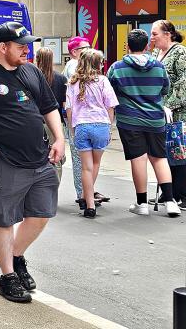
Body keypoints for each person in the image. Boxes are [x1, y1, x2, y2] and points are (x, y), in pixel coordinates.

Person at [0, 21, 65, 304]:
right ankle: (8, 276)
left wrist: (59, 139)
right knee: (5, 219)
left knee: (41, 214)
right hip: (4, 160)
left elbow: (49, 107)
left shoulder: (32, 71)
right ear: (2, 47)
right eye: (21, 45)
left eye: (27, 44)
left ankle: (15, 255)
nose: (27, 49)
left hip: (40, 157)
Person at [108, 29, 180, 216]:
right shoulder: (158, 66)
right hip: (155, 120)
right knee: (159, 157)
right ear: (148, 45)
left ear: (128, 46)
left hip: (129, 120)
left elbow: (110, 92)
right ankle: (170, 201)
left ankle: (142, 204)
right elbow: (165, 89)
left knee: (138, 159)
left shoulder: (117, 67)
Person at [65, 49, 118, 218]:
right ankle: (88, 196)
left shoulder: (73, 82)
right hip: (101, 124)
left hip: (81, 126)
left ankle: (88, 204)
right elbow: (110, 105)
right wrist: (109, 127)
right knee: (95, 165)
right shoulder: (103, 81)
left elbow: (69, 109)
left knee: (85, 168)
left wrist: (72, 130)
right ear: (97, 64)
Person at [35, 47, 83, 206]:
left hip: (35, 122)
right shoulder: (60, 78)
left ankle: (36, 192)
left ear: (37, 58)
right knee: (56, 158)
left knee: (36, 156)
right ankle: (52, 192)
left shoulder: (32, 76)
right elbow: (65, 104)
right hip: (54, 123)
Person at [151, 19, 186, 208]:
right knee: (164, 153)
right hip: (161, 111)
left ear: (168, 34)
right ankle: (168, 193)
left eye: (155, 33)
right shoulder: (157, 52)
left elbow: (184, 83)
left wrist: (169, 105)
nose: (152, 37)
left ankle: (182, 194)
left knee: (178, 152)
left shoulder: (180, 52)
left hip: (178, 113)